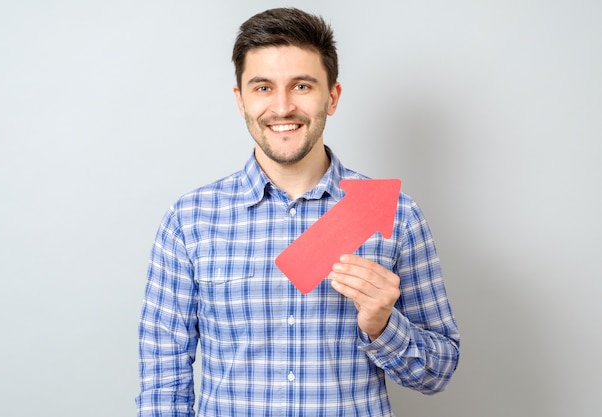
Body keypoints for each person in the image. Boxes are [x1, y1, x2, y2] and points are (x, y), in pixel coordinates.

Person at [136, 7, 459, 417]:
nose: (283, 107)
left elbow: (439, 372)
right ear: (241, 100)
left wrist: (383, 325)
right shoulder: (191, 221)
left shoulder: (396, 216)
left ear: (332, 96)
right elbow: (164, 382)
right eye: (263, 87)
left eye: (302, 85)